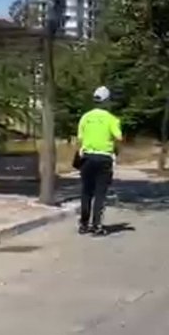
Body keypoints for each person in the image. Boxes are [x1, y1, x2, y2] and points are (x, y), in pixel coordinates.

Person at [75, 86, 123, 236]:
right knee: (100, 194)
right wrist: (115, 150)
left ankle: (83, 224)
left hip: (87, 157)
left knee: (86, 192)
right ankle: (97, 225)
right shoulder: (111, 119)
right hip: (104, 158)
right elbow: (119, 137)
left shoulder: (85, 117)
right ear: (107, 101)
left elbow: (80, 139)